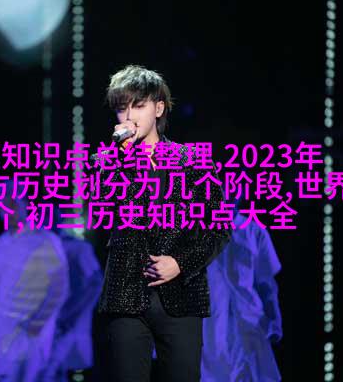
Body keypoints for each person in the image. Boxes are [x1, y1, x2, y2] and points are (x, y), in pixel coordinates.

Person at [89, 65, 232, 382]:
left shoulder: (194, 161)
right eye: (121, 108)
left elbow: (219, 229)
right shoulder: (106, 163)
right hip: (125, 295)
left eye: (138, 106)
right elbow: (104, 214)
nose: (129, 116)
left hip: (182, 295)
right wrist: (122, 159)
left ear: (158, 108)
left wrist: (179, 263)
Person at [0, 187, 69, 382]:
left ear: (26, 205)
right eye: (3, 204)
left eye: (13, 203)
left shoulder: (45, 241)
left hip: (33, 338)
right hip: (4, 335)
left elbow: (60, 288)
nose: (7, 209)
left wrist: (37, 324)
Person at [200, 200, 282, 381]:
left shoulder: (254, 231)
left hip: (250, 322)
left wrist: (275, 319)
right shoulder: (198, 231)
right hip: (211, 326)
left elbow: (266, 283)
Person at [43, 208, 103, 381]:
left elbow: (94, 285)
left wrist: (71, 314)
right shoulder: (41, 249)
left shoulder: (78, 249)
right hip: (49, 325)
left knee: (54, 370)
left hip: (68, 326)